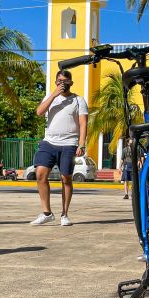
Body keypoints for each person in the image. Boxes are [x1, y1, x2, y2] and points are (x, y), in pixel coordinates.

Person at [29, 69, 88, 226]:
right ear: (56, 82)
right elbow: (39, 112)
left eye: (65, 82)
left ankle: (64, 214)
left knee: (66, 178)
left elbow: (83, 123)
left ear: (71, 83)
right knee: (40, 174)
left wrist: (81, 144)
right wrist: (54, 94)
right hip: (49, 142)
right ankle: (47, 213)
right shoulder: (50, 97)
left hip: (69, 144)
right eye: (59, 81)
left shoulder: (78, 100)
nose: (62, 84)